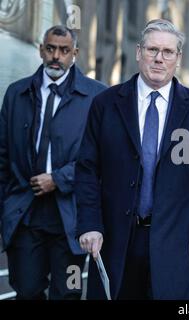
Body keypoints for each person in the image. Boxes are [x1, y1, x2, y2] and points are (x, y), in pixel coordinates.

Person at [75, 19, 189, 300]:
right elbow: (87, 170)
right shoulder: (105, 104)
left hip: (177, 241)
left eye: (168, 52)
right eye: (152, 49)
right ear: (139, 52)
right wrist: (90, 224)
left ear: (178, 58)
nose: (159, 58)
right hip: (116, 238)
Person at [0, 25, 107, 299]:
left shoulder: (97, 97)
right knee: (25, 290)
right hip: (25, 215)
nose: (56, 56)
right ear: (41, 50)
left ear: (75, 54)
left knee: (68, 293)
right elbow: (2, 156)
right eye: (50, 49)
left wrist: (58, 179)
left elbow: (102, 158)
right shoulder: (16, 94)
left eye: (64, 50)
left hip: (71, 222)